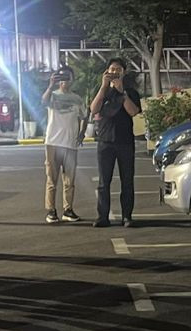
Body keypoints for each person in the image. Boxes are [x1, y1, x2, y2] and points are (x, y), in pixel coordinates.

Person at [89, 58, 141, 228]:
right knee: (104, 182)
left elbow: (133, 112)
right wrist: (104, 87)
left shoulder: (130, 92)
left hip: (125, 141)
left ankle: (127, 216)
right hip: (105, 142)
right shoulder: (103, 92)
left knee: (127, 181)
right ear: (107, 71)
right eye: (112, 69)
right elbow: (94, 109)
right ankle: (102, 216)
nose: (114, 72)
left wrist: (122, 92)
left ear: (124, 72)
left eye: (118, 70)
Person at [41, 66, 83, 223]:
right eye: (62, 77)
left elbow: (83, 117)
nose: (65, 80)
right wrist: (50, 85)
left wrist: (82, 133)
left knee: (69, 181)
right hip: (53, 142)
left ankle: (68, 209)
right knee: (52, 180)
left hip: (70, 144)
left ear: (72, 79)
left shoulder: (77, 99)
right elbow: (43, 101)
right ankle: (51, 211)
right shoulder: (52, 95)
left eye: (68, 77)